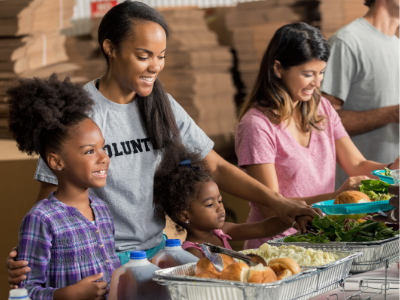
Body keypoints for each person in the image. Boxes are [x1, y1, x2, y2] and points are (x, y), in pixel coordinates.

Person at [6, 2, 319, 288]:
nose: (155, 66)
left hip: (156, 255)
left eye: (161, 56)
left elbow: (217, 166)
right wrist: (31, 257)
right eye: (143, 56)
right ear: (110, 48)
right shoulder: (81, 116)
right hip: (101, 263)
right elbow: (51, 201)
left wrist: (279, 203)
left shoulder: (160, 104)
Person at [235, 22, 400, 250]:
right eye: (307, 74)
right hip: (277, 247)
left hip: (322, 241)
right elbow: (271, 207)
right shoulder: (257, 125)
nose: (317, 82)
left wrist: (392, 168)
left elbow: (356, 164)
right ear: (278, 68)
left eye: (321, 72)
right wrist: (336, 197)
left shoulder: (321, 108)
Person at [7, 75, 120, 299]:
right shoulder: (41, 218)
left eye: (102, 148)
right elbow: (24, 292)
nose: (104, 158)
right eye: (90, 151)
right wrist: (67, 294)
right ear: (56, 162)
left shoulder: (103, 211)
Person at [153, 144, 313, 259]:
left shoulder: (222, 232)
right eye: (210, 204)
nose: (220, 208)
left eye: (220, 201)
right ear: (184, 215)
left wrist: (293, 220)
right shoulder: (192, 252)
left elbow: (263, 228)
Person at [321, 0, 399, 189]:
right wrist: (392, 113)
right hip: (361, 197)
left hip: (394, 188)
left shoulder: (397, 45)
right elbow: (323, 122)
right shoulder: (346, 42)